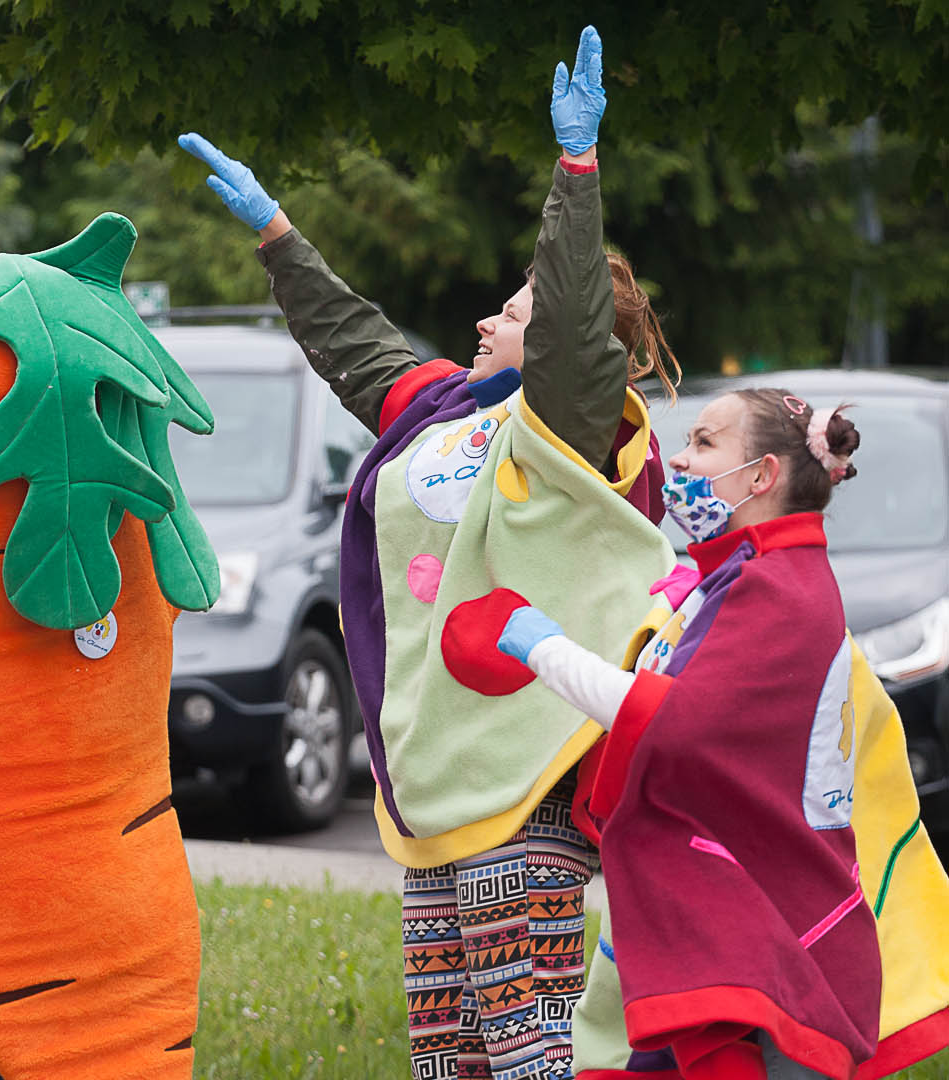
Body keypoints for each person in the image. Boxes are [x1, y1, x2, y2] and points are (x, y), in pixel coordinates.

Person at [181, 26, 679, 1079]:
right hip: (433, 771)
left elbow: (572, 317)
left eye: (510, 313)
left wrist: (574, 177)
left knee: (525, 1038)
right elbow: (353, 340)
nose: (484, 321)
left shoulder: (573, 428)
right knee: (445, 1049)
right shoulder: (443, 412)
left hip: (526, 770)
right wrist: (273, 230)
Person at [495, 391, 888, 1078]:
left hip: (770, 938)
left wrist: (540, 646)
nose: (677, 458)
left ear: (761, 475)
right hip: (732, 924)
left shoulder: (775, 588)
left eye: (704, 444)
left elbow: (667, 720)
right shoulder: (746, 576)